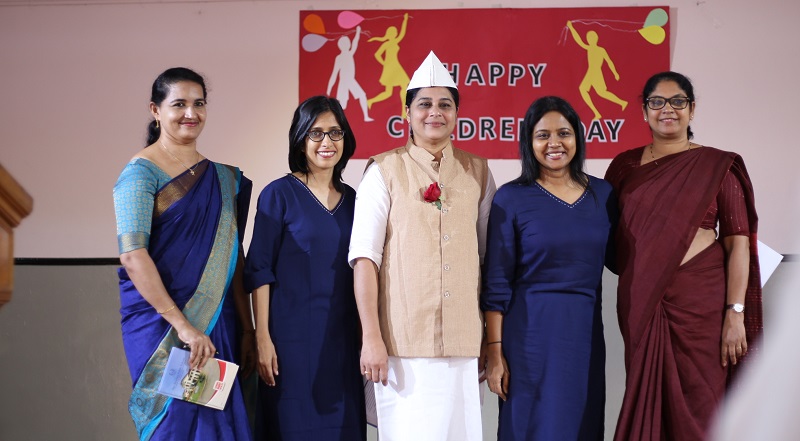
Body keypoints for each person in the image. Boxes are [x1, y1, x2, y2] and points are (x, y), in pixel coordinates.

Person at [604, 71, 763, 441]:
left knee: (705, 402)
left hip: (703, 306)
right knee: (648, 396)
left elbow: (738, 243)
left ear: (692, 110)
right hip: (643, 302)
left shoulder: (717, 167)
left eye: (678, 101)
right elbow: (605, 235)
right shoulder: (625, 166)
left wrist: (735, 313)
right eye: (657, 102)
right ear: (644, 111)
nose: (667, 109)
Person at [349, 51, 496, 441]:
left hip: (464, 343)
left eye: (445, 105)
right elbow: (364, 260)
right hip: (402, 343)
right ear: (407, 113)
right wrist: (371, 337)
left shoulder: (478, 172)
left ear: (457, 113)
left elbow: (488, 258)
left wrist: (488, 338)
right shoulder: (383, 170)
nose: (435, 112)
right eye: (425, 104)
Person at [113, 67, 254, 441]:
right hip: (162, 325)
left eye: (199, 104)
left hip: (217, 320)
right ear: (155, 110)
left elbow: (232, 257)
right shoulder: (139, 174)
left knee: (215, 425)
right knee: (174, 424)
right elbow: (133, 256)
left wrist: (248, 328)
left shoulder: (223, 180)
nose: (191, 113)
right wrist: (184, 327)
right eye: (179, 104)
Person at [481, 96, 614, 440]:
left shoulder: (603, 195)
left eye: (563, 133)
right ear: (529, 142)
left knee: (580, 425)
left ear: (577, 138)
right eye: (543, 135)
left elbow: (627, 257)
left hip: (583, 335)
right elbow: (496, 283)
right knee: (530, 427)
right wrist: (495, 352)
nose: (554, 143)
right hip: (528, 338)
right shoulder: (511, 198)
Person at [244, 96, 365, 440]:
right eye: (316, 133)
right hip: (288, 345)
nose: (327, 142)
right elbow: (259, 270)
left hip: (342, 344)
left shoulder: (356, 200)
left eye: (335, 132)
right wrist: (262, 337)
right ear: (300, 140)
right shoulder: (278, 194)